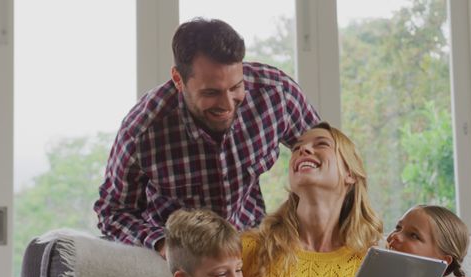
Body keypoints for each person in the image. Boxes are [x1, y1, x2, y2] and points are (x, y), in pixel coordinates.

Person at [93, 17, 320, 257]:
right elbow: (113, 212)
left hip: (249, 243)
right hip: (179, 256)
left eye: (235, 88)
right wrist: (163, 245)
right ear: (178, 80)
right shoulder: (141, 131)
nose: (227, 105)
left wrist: (307, 220)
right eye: (211, 93)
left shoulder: (277, 94)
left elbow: (330, 155)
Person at [238, 122, 437, 277]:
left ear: (349, 173)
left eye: (321, 144)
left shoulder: (376, 259)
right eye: (296, 148)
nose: (302, 150)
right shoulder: (252, 248)